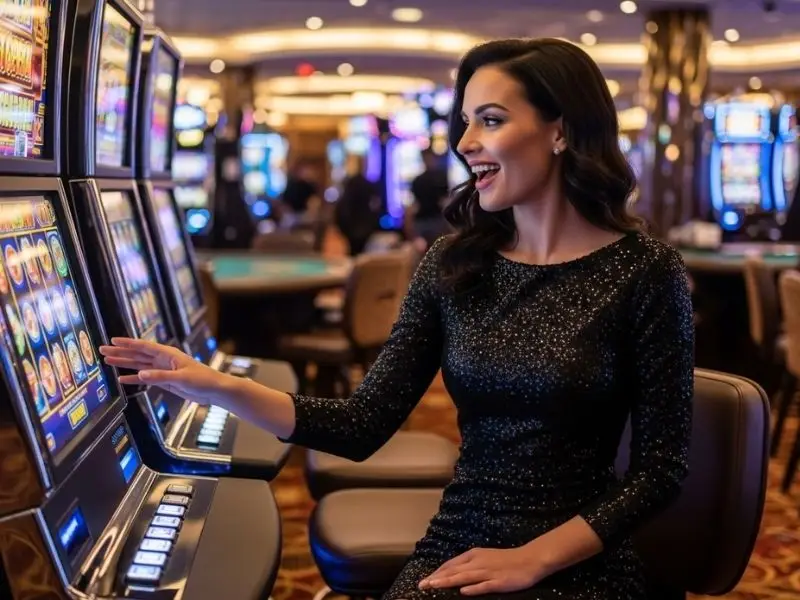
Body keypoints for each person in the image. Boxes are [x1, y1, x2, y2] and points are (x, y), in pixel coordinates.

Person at [100, 38, 694, 599]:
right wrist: (208, 383)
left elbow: (661, 471)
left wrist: (532, 559)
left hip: (581, 557)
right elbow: (363, 424)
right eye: (464, 122)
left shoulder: (645, 271)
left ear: (559, 130)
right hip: (461, 538)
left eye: (490, 119)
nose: (464, 143)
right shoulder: (454, 264)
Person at [334, 155, 382, 255]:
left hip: (350, 226)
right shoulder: (367, 184)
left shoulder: (349, 183)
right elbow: (376, 204)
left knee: (353, 252)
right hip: (364, 225)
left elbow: (342, 206)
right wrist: (374, 220)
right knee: (361, 252)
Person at [405, 148, 451, 249]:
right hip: (432, 220)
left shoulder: (419, 180)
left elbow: (414, 205)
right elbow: (445, 201)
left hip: (429, 220)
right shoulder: (440, 177)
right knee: (437, 251)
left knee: (428, 252)